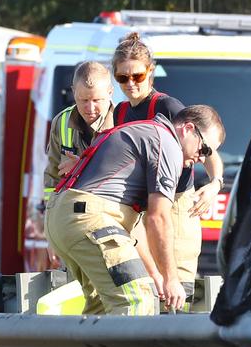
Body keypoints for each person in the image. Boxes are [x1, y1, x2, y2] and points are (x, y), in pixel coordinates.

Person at [46, 104, 225, 316]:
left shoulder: (147, 133)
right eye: (204, 149)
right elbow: (158, 218)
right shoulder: (167, 144)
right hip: (90, 219)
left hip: (65, 218)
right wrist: (171, 278)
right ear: (187, 128)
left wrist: (156, 274)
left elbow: (133, 227)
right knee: (137, 300)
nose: (202, 159)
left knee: (102, 308)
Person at [111, 33, 225, 303]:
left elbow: (206, 150)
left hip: (174, 205)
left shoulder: (167, 106)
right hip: (142, 206)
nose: (130, 84)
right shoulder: (120, 112)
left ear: (150, 72)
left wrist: (214, 184)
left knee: (177, 288)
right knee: (148, 288)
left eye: (137, 76)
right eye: (122, 78)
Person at [41, 61, 116, 205]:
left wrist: (82, 167)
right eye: (84, 100)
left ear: (110, 92)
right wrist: (51, 211)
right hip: (69, 215)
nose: (90, 107)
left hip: (109, 216)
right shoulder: (61, 122)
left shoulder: (123, 123)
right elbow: (52, 175)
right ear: (73, 92)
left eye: (96, 100)